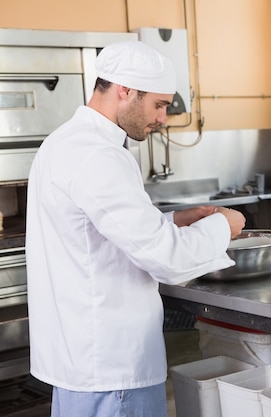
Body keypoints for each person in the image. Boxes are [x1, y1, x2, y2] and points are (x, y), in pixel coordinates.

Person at [26, 40, 246, 417]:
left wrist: (173, 221)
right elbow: (167, 259)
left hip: (83, 363)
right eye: (159, 105)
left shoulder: (64, 142)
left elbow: (94, 236)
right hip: (113, 371)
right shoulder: (98, 154)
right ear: (125, 91)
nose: (163, 118)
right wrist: (223, 227)